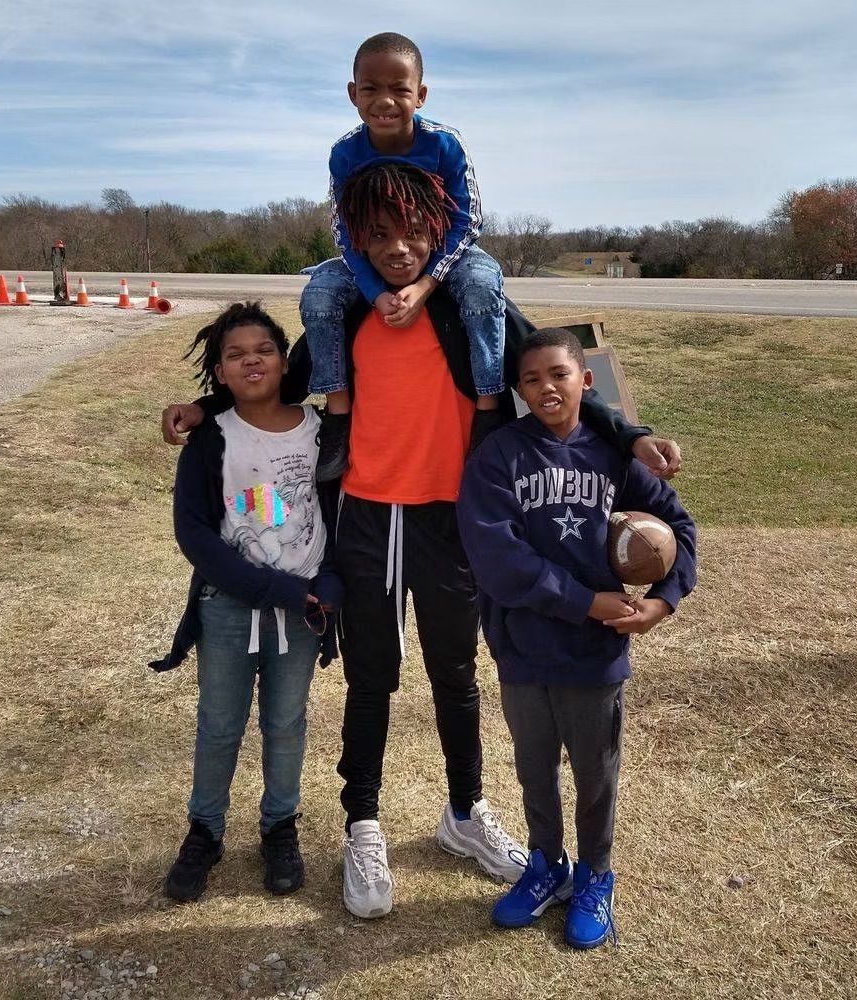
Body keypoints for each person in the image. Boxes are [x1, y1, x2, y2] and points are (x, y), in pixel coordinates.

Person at [160, 162, 683, 921]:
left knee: (455, 673)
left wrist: (629, 434)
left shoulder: (474, 308)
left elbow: (554, 371)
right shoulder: (343, 315)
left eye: (413, 232)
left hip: (451, 514)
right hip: (368, 515)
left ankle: (464, 812)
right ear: (355, 242)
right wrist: (205, 407)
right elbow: (277, 382)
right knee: (372, 677)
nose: (398, 248)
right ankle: (361, 824)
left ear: (439, 232)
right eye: (379, 235)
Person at [456, 328, 696, 949]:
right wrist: (586, 601)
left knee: (595, 774)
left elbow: (678, 526)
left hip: (596, 656)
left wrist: (664, 601)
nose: (546, 388)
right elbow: (496, 557)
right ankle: (545, 865)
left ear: (584, 381)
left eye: (559, 375)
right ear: (518, 389)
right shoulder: (499, 454)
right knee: (535, 769)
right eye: (531, 379)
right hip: (524, 648)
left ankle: (595, 873)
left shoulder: (615, 456)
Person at [150, 302, 343, 903]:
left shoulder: (320, 429)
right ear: (219, 372)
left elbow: (340, 512)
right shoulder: (210, 437)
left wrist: (328, 582)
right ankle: (204, 832)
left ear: (285, 362)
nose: (250, 360)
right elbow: (195, 534)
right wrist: (272, 589)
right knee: (219, 726)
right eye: (234, 355)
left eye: (262, 350)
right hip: (230, 608)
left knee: (286, 725)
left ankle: (279, 828)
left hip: (305, 607)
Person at [302, 31, 506, 481]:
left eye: (400, 88)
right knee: (317, 295)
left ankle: (489, 409)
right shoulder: (344, 153)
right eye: (371, 89)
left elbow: (468, 222)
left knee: (480, 284)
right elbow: (344, 234)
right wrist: (375, 293)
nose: (385, 100)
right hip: (371, 254)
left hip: (442, 253)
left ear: (421, 94)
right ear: (353, 93)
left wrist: (426, 283)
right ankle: (337, 414)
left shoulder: (445, 144)